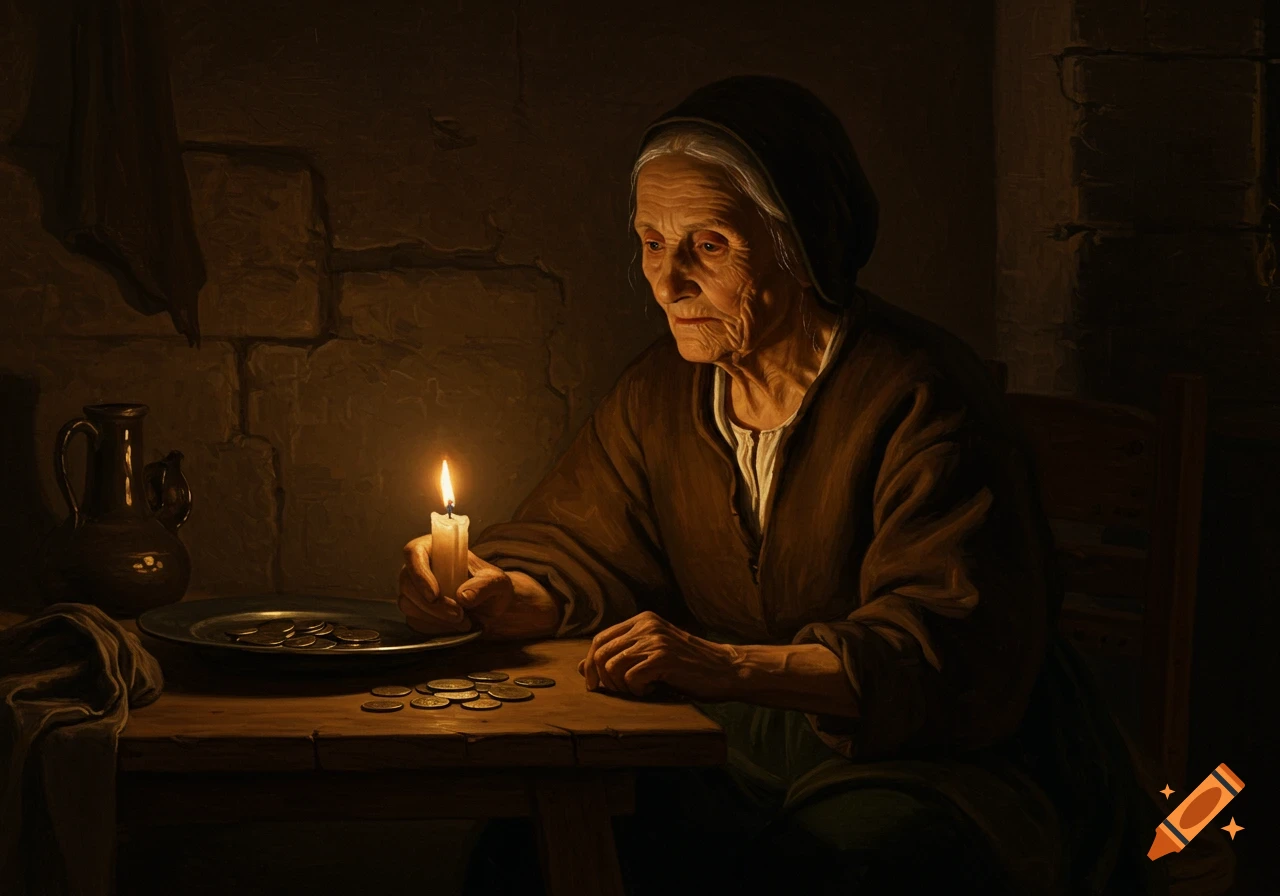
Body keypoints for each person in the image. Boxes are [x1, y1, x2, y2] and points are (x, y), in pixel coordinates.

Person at [396, 76, 1166, 895]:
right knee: (526, 851)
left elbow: (948, 649)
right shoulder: (661, 393)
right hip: (734, 745)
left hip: (933, 763)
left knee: (835, 868)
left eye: (710, 244)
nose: (668, 281)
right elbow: (584, 546)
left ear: (802, 243)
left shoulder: (919, 394)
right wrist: (504, 591)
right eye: (652, 242)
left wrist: (726, 666)